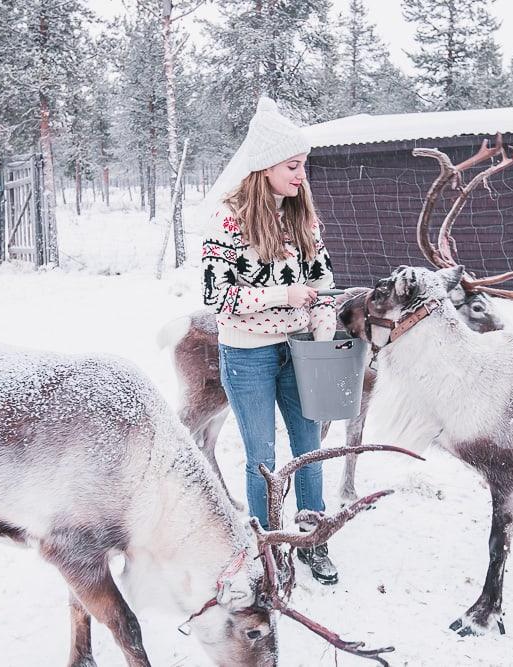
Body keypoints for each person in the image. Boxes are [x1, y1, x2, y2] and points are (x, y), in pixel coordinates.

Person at [201, 97, 338, 584]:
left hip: (300, 350)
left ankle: (313, 537)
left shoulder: (304, 218)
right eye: (293, 166)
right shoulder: (229, 218)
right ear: (265, 166)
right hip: (248, 353)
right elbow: (218, 296)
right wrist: (285, 293)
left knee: (309, 446)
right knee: (262, 456)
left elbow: (323, 286)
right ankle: (269, 546)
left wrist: (323, 328)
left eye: (303, 166)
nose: (302, 175)